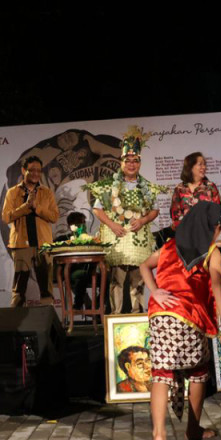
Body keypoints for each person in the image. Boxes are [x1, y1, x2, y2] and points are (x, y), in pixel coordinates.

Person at [139, 201, 221, 440]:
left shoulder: (170, 245)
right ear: (212, 227)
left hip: (160, 315)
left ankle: (158, 435)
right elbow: (217, 282)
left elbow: (144, 266)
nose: (219, 233)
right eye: (218, 228)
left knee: (161, 373)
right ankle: (193, 428)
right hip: (189, 316)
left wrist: (155, 291)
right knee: (198, 371)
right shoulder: (212, 251)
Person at [87, 127, 167, 313]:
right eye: (128, 161)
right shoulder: (109, 186)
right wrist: (113, 225)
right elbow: (97, 209)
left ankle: (137, 317)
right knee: (117, 280)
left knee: (138, 280)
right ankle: (115, 318)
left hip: (139, 240)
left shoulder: (146, 187)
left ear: (139, 163)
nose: (131, 164)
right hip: (117, 238)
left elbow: (155, 210)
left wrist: (144, 220)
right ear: (121, 162)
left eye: (135, 161)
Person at [2, 156, 59, 307]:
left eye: (38, 171)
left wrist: (37, 208)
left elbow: (54, 216)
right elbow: (6, 217)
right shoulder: (13, 192)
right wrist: (25, 207)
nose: (35, 174)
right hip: (21, 245)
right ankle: (15, 325)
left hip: (43, 245)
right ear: (23, 170)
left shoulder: (46, 192)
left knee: (46, 287)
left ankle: (48, 322)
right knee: (19, 289)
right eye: (31, 170)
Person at [53, 211, 95, 311]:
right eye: (80, 223)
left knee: (107, 278)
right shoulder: (62, 239)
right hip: (71, 271)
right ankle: (83, 305)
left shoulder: (89, 239)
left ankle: (95, 305)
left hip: (89, 271)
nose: (82, 226)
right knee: (79, 277)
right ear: (70, 226)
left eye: (83, 223)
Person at [170, 152, 221, 229]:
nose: (204, 167)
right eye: (200, 164)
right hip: (186, 235)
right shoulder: (179, 189)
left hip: (207, 234)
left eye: (204, 164)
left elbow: (217, 212)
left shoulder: (210, 187)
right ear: (190, 167)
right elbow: (175, 215)